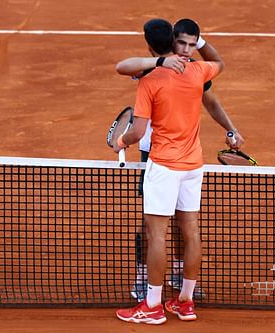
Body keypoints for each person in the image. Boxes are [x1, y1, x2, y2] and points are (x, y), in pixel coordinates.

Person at [116, 18, 245, 303]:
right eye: (183, 43)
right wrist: (160, 63)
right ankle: (143, 277)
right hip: (155, 152)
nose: (187, 50)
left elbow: (210, 101)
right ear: (171, 41)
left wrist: (230, 128)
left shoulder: (195, 69)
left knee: (179, 223)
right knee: (151, 224)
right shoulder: (149, 69)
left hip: (181, 158)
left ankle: (177, 272)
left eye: (192, 45)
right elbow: (123, 66)